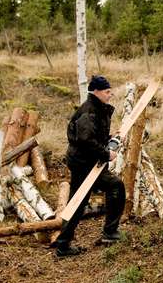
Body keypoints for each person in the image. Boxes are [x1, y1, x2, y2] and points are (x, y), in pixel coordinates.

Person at [53, 75, 126, 257]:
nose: (111, 94)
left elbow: (92, 137)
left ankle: (63, 244)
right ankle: (110, 232)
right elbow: (86, 141)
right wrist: (106, 154)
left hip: (86, 162)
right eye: (107, 91)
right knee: (115, 185)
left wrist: (110, 139)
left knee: (77, 202)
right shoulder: (89, 111)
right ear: (96, 92)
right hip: (84, 164)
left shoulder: (97, 109)